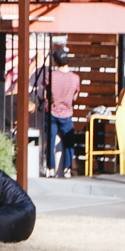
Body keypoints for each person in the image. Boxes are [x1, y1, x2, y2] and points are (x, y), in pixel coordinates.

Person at [41, 47, 81, 178]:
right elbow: (75, 96)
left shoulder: (50, 76)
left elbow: (45, 94)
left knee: (50, 141)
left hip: (52, 112)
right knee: (69, 142)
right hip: (67, 114)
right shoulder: (75, 78)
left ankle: (50, 168)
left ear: (55, 61)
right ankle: (67, 169)